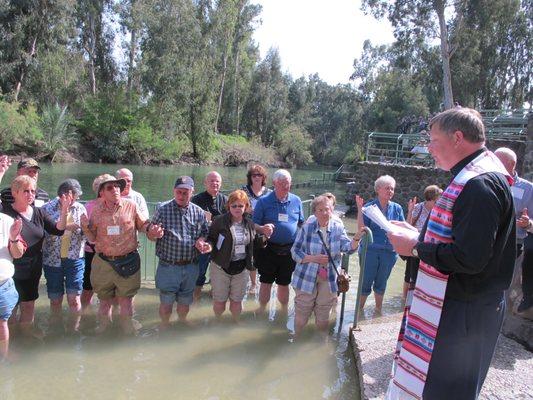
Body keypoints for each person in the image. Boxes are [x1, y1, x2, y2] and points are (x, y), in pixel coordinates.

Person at [386, 108, 515, 399]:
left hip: (465, 312)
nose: (428, 148)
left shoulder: (479, 184)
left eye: (433, 140)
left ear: (457, 138)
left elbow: (470, 257)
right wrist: (417, 237)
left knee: (446, 391)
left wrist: (416, 248)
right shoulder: (477, 175)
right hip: (465, 304)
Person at [79, 174, 162, 334]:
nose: (115, 190)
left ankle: (127, 333)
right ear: (101, 192)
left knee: (126, 303)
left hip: (128, 261)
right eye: (110, 187)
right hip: (103, 262)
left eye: (117, 186)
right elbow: (92, 238)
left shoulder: (131, 205)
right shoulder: (95, 211)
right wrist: (85, 227)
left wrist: (152, 231)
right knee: (104, 303)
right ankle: (104, 333)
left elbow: (144, 225)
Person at [1, 175, 69, 337]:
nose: (31, 194)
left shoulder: (38, 212)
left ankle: (25, 337)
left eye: (33, 191)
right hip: (12, 268)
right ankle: (11, 340)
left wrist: (64, 209)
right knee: (11, 308)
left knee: (29, 304)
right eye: (26, 191)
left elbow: (58, 229)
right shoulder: (5, 211)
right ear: (15, 192)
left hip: (33, 267)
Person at [291, 195, 361, 336]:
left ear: (332, 210)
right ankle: (297, 338)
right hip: (306, 274)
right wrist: (313, 258)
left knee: (323, 313)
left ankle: (321, 343)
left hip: (328, 277)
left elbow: (348, 248)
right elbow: (294, 251)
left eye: (327, 209)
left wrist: (356, 239)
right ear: (314, 212)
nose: (324, 213)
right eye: (320, 210)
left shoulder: (338, 226)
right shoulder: (307, 227)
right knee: (303, 311)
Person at [148, 176, 211, 327]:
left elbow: (205, 232)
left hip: (191, 266)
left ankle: (182, 322)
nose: (182, 195)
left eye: (185, 192)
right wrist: (154, 233)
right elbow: (150, 234)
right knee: (166, 302)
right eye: (179, 192)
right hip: (168, 266)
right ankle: (164, 325)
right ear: (174, 191)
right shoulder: (162, 209)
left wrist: (202, 241)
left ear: (192, 192)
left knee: (185, 300)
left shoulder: (199, 212)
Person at [253, 169, 304, 314]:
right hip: (268, 249)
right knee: (266, 281)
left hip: (289, 250)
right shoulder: (263, 201)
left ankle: (283, 311)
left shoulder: (296, 200)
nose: (285, 186)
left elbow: (301, 223)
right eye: (282, 183)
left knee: (284, 283)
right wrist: (262, 228)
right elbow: (253, 225)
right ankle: (262, 308)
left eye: (287, 183)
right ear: (274, 183)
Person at [41, 179, 87, 331]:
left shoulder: (80, 208)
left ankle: (74, 332)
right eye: (76, 196)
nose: (77, 199)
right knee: (55, 300)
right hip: (52, 259)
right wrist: (64, 227)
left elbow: (86, 235)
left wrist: (82, 229)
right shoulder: (46, 208)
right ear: (66, 194)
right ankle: (56, 331)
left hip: (75, 259)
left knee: (74, 299)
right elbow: (43, 234)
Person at [355, 175, 405, 313]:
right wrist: (360, 210)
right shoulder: (369, 207)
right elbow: (361, 229)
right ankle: (358, 313)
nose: (390, 191)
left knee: (382, 283)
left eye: (392, 189)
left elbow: (402, 228)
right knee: (365, 282)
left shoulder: (397, 208)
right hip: (369, 251)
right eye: (387, 188)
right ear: (378, 189)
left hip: (389, 252)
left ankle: (378, 310)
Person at [494, 147, 533, 316]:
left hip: (513, 244)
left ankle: (495, 320)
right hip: (488, 239)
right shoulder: (488, 181)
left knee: (502, 285)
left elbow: (531, 220)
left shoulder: (528, 189)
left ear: (512, 164)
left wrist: (528, 223)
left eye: (498, 161)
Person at [207, 190, 256, 321]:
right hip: (220, 267)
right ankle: (218, 321)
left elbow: (252, 245)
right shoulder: (219, 221)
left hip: (241, 269)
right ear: (228, 206)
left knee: (237, 302)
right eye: (234, 206)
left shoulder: (250, 223)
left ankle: (235, 322)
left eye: (240, 206)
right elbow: (211, 238)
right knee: (220, 302)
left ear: (246, 206)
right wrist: (209, 246)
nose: (237, 209)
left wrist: (264, 239)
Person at [0, 155, 26, 359]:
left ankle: (3, 359)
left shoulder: (8, 221)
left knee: (2, 324)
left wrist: (14, 238)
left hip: (3, 284)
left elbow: (17, 254)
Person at [191, 171, 227, 301]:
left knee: (219, 271)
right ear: (205, 183)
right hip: (203, 241)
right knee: (200, 271)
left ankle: (215, 293)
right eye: (211, 180)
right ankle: (196, 296)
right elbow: (192, 221)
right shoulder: (196, 200)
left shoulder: (225, 200)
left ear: (221, 184)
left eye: (217, 181)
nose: (214, 183)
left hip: (221, 242)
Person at [403, 185, 442, 298]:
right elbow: (407, 226)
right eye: (437, 199)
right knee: (409, 275)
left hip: (430, 246)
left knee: (424, 274)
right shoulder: (418, 208)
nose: (440, 201)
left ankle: (420, 296)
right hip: (416, 245)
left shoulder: (439, 210)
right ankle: (404, 300)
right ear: (430, 199)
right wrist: (410, 211)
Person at [241, 164, 272, 294]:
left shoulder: (269, 192)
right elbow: (237, 205)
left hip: (264, 227)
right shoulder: (244, 190)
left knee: (264, 255)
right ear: (250, 177)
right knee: (251, 255)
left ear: (263, 177)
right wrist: (246, 209)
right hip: (248, 226)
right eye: (254, 175)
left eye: (259, 175)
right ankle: (253, 284)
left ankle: (265, 282)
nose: (256, 177)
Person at [81, 175, 107, 310]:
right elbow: (84, 230)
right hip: (92, 252)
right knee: (88, 286)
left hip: (110, 252)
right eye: (109, 187)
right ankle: (84, 314)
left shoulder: (115, 206)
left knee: (109, 287)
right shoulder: (89, 206)